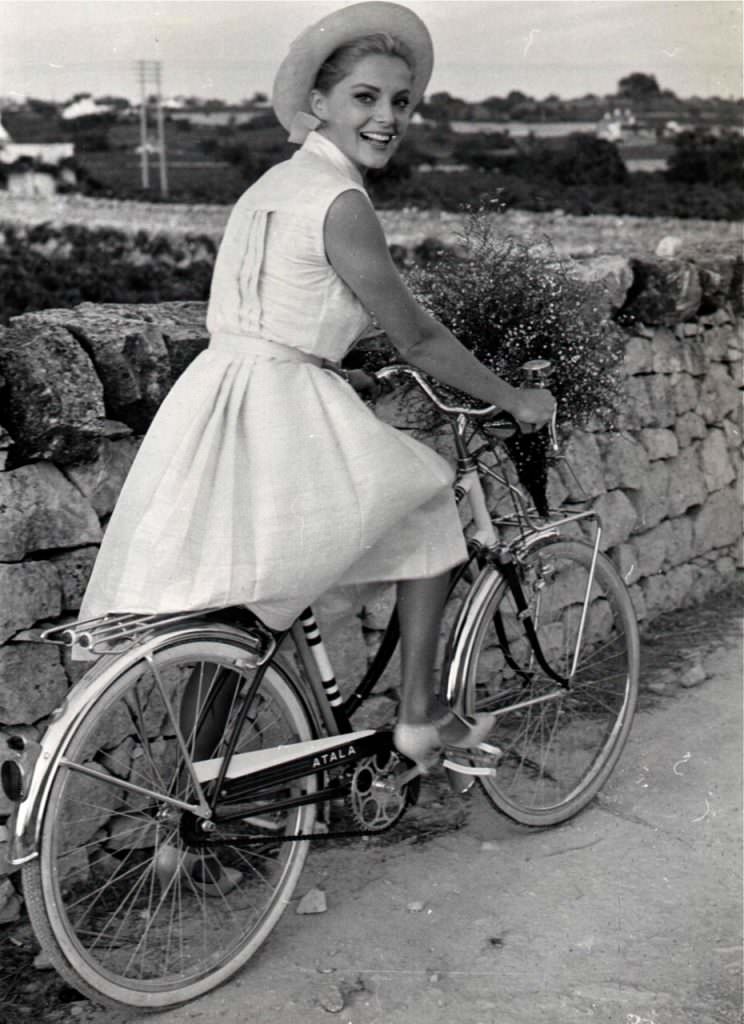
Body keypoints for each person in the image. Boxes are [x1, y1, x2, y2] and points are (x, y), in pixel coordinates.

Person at [79, 1, 554, 771]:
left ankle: (192, 820)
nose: (387, 117)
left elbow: (271, 315)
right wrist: (515, 398)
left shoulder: (271, 186)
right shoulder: (343, 203)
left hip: (215, 399)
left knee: (233, 606)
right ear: (320, 104)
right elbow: (419, 338)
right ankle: (421, 715)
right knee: (433, 508)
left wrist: (342, 369)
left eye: (401, 101)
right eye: (366, 98)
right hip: (278, 407)